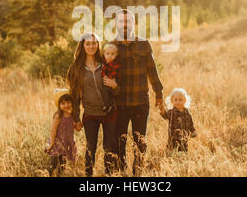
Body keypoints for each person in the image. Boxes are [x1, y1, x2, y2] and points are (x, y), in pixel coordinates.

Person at [111, 9, 164, 176]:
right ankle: (121, 172)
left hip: (141, 102)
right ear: (116, 24)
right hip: (119, 103)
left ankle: (138, 173)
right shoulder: (111, 46)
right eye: (121, 21)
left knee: (140, 142)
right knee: (119, 141)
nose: (124, 24)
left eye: (128, 21)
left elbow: (152, 71)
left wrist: (159, 94)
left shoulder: (143, 44)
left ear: (133, 23)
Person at [67, 33, 120, 176]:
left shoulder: (106, 63)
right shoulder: (76, 68)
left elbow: (117, 90)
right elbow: (75, 97)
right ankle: (88, 175)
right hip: (90, 114)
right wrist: (76, 118)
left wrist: (115, 86)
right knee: (91, 147)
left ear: (98, 44)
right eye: (88, 44)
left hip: (109, 112)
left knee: (109, 147)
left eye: (94, 43)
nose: (91, 46)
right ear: (82, 46)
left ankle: (110, 175)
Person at [45, 90, 81, 176]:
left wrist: (77, 118)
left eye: (68, 102)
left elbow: (78, 128)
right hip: (57, 143)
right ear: (58, 105)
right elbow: (53, 130)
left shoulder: (72, 114)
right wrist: (52, 143)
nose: (66, 105)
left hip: (67, 144)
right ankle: (46, 174)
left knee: (62, 166)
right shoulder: (58, 116)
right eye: (63, 103)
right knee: (53, 164)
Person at [160, 88, 197, 152]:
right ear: (172, 101)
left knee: (184, 149)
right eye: (175, 100)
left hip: (184, 137)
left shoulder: (186, 112)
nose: (178, 102)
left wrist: (193, 131)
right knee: (172, 149)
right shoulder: (172, 112)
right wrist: (162, 110)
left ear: (185, 100)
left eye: (180, 100)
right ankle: (169, 157)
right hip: (173, 137)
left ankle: (182, 159)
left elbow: (190, 122)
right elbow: (165, 116)